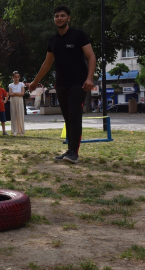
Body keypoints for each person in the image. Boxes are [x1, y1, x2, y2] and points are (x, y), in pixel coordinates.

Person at [29, 5, 96, 164]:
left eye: (62, 16)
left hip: (79, 83)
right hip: (61, 84)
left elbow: (91, 56)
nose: (59, 18)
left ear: (68, 18)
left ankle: (74, 152)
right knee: (67, 118)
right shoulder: (52, 40)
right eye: (57, 16)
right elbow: (47, 63)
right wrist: (35, 81)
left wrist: (90, 78)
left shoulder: (79, 35)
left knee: (74, 116)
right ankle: (70, 149)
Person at [9, 71, 26, 136]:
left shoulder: (21, 84)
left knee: (20, 115)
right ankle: (15, 130)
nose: (16, 78)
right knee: (14, 115)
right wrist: (16, 94)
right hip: (13, 101)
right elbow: (10, 94)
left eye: (18, 77)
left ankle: (21, 131)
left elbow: (22, 93)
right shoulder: (10, 85)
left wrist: (15, 93)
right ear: (13, 77)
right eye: (15, 77)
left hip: (20, 100)